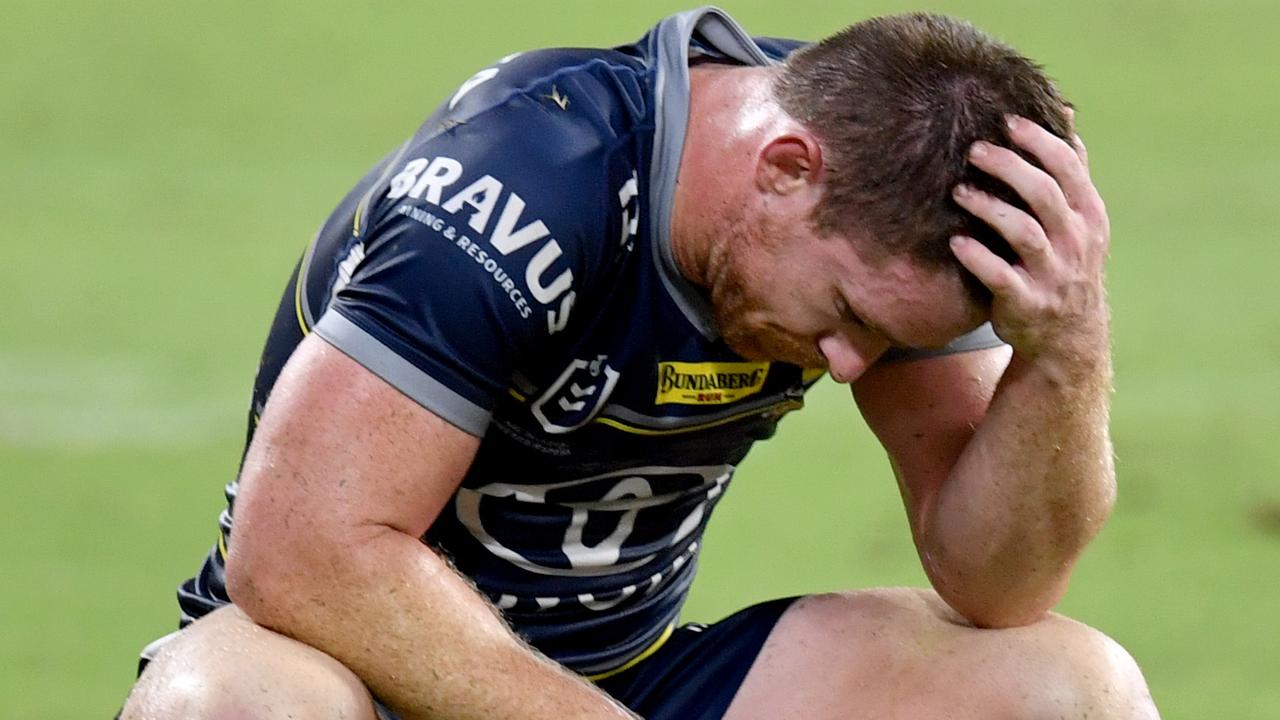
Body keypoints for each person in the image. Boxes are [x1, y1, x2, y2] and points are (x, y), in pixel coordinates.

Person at [120, 7, 1160, 719]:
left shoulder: (888, 194)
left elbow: (997, 583)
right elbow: (299, 554)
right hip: (341, 666)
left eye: (890, 339)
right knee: (227, 703)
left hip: (624, 678)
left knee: (1069, 688)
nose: (850, 366)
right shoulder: (521, 183)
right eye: (845, 313)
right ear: (785, 169)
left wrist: (1067, 348)